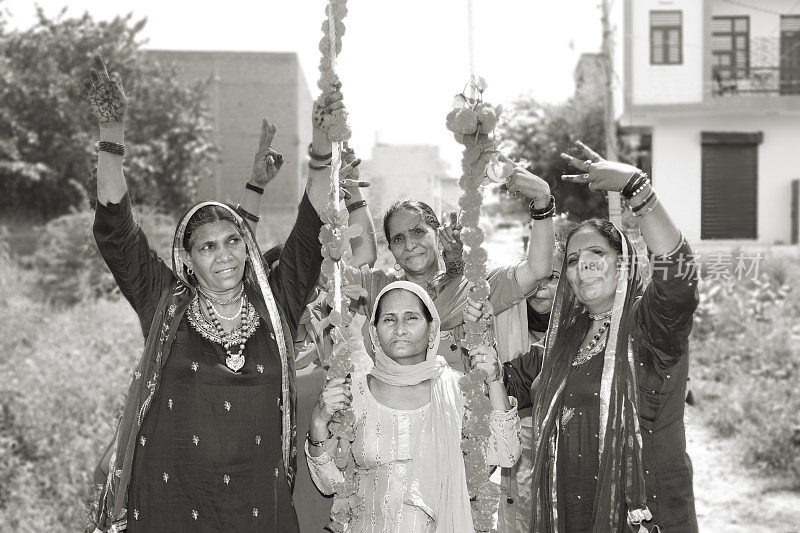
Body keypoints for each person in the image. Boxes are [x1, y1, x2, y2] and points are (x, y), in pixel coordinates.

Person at [87, 54, 338, 532]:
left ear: (247, 247)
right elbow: (117, 233)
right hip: (171, 503)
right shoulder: (165, 302)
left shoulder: (274, 304)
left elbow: (311, 229)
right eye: (207, 247)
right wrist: (111, 133)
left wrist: (321, 148)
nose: (223, 256)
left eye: (233, 241)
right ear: (188, 258)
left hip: (257, 508)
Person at [467, 140, 700, 532]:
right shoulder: (560, 344)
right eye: (573, 260)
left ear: (622, 263)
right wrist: (485, 349)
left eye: (596, 254)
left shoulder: (650, 325)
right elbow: (500, 384)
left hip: (644, 515)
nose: (582, 265)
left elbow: (679, 276)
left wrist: (636, 188)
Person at [305, 281, 521, 531]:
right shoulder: (353, 393)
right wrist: (319, 421)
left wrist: (495, 380)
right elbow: (329, 484)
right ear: (374, 333)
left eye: (411, 318)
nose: (399, 329)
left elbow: (506, 453)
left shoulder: (459, 389)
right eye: (389, 320)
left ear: (432, 329)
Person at [343, 166, 555, 371]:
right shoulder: (379, 289)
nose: (409, 245)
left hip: (463, 405)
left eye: (418, 232)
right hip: (395, 406)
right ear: (391, 250)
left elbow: (538, 270)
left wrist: (542, 202)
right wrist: (347, 188)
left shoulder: (471, 286)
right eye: (398, 239)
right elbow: (333, 272)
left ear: (436, 234)